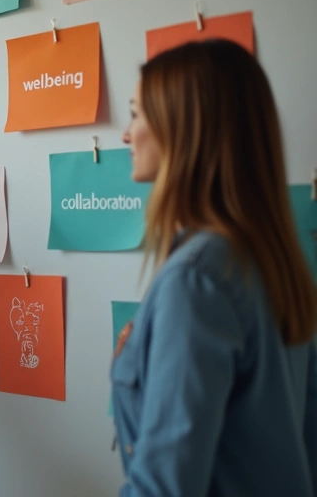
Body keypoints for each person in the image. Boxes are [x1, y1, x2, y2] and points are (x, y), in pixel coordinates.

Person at [113, 39, 317, 496]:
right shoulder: (271, 260)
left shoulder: (195, 280)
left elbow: (164, 487)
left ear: (183, 129)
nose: (126, 135)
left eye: (135, 114)